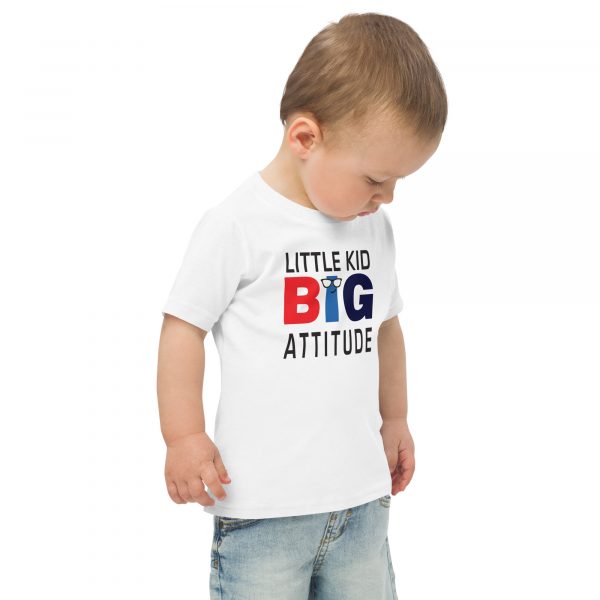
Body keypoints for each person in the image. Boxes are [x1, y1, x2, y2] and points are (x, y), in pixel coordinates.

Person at [157, 11, 447, 600]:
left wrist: (395, 418)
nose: (387, 197)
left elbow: (386, 328)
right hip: (263, 510)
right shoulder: (238, 225)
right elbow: (183, 327)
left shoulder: (372, 228)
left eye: (397, 183)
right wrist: (184, 436)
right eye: (375, 179)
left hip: (361, 503)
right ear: (306, 138)